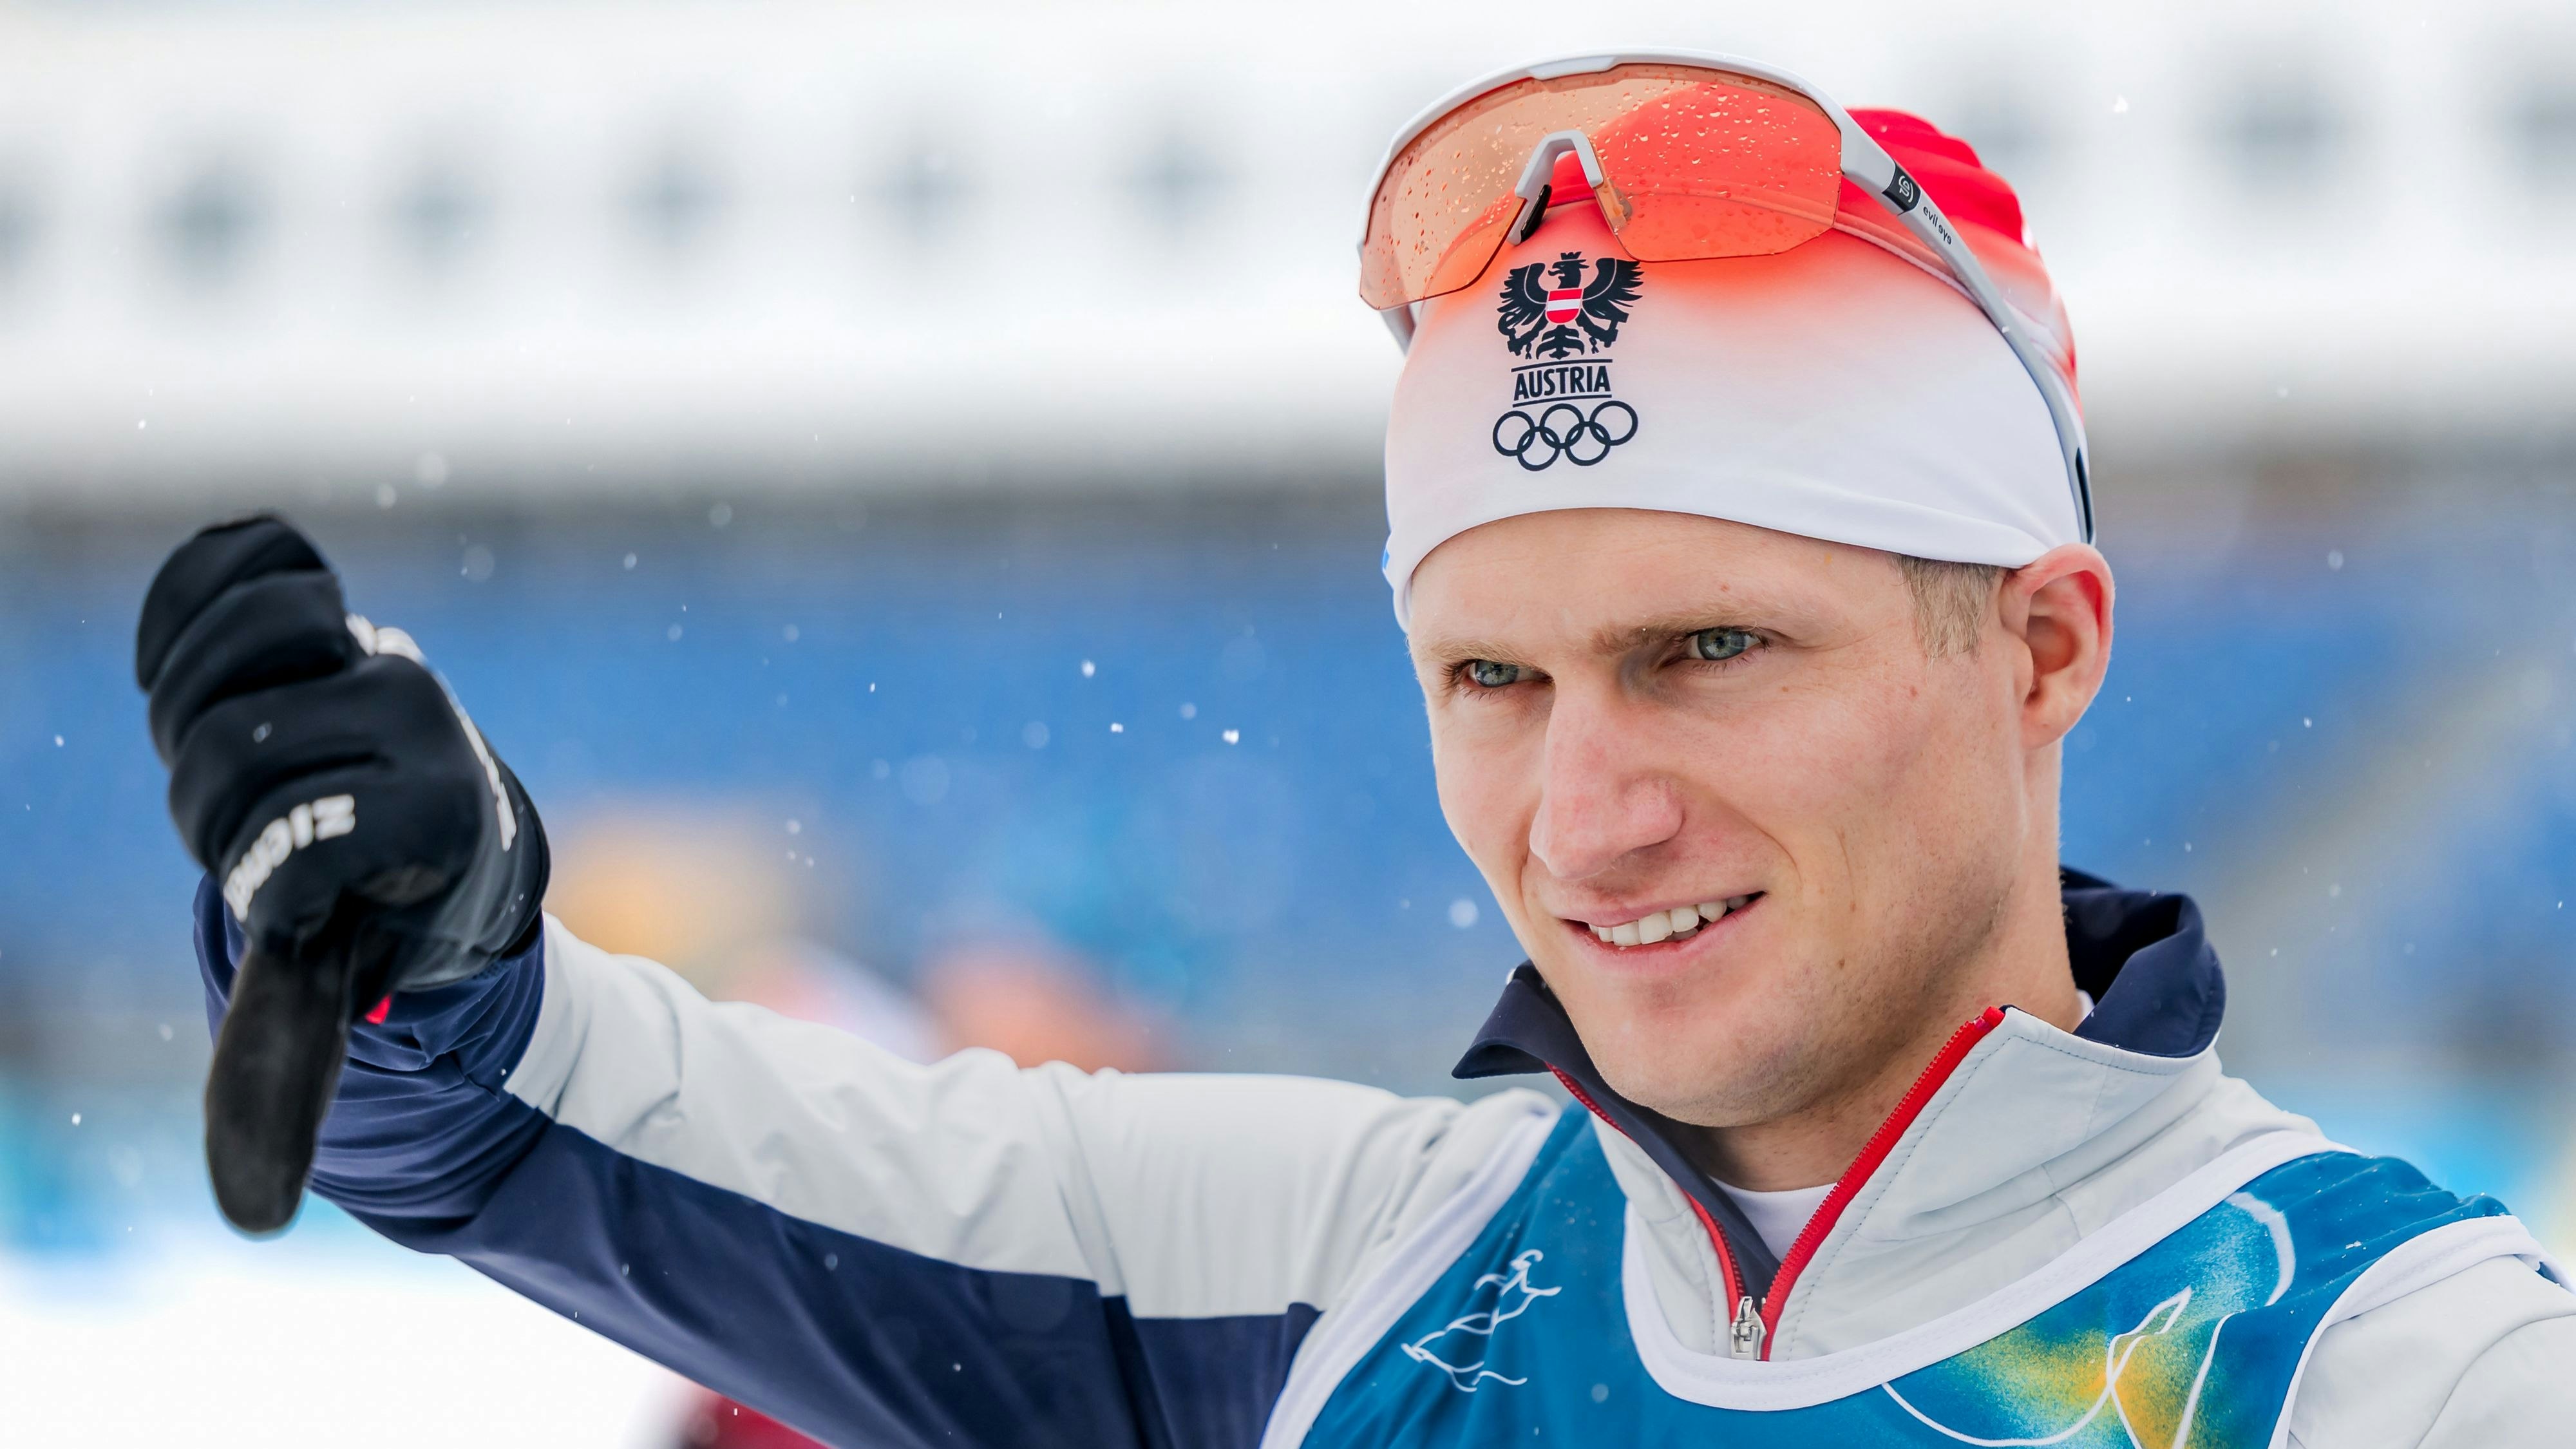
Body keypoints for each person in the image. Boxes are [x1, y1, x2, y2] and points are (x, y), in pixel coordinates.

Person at [133, 52, 2571, 1448]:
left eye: (1712, 645)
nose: (1586, 812)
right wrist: (421, 954)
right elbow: (545, 1114)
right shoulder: (1354, 1271)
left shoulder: (2393, 1364)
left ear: (2041, 648)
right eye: (1491, 678)